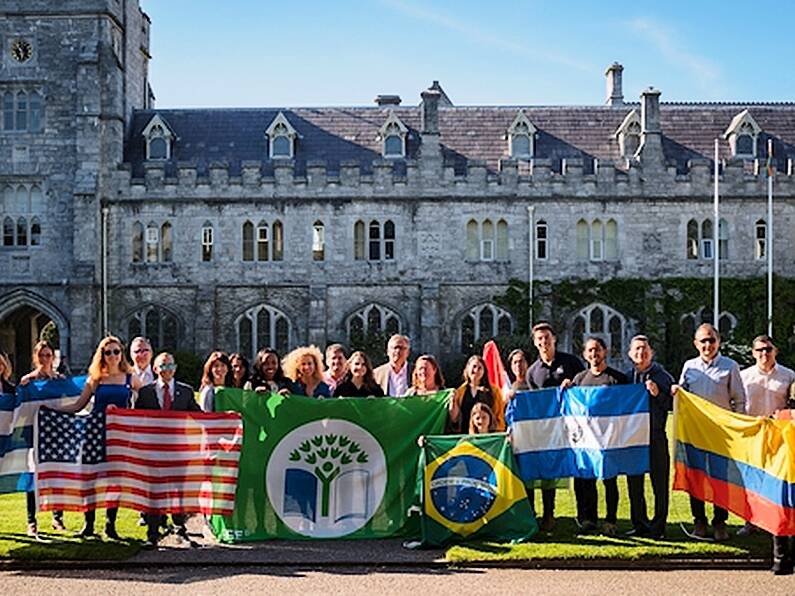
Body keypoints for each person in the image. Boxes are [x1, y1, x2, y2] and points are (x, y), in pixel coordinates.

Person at [58, 335, 143, 540]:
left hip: (120, 435)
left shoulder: (131, 378)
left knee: (114, 482)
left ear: (121, 354)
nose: (113, 355)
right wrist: (53, 409)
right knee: (91, 479)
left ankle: (110, 526)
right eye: (108, 352)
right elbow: (79, 405)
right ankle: (88, 525)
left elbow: (143, 404)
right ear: (102, 355)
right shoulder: (95, 379)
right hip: (94, 432)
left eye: (116, 351)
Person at [673, 323, 746, 541]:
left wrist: (736, 427)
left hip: (720, 435)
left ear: (718, 342)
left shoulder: (730, 366)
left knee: (719, 479)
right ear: (696, 344)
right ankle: (699, 521)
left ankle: (720, 522)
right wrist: (676, 391)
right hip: (695, 434)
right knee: (696, 477)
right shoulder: (689, 366)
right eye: (703, 341)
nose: (708, 345)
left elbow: (739, 400)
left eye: (711, 340)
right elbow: (682, 394)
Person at [739, 335, 795, 570]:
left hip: (780, 438)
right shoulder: (744, 376)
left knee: (776, 483)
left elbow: (792, 406)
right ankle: (750, 521)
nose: (764, 353)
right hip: (754, 435)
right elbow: (737, 404)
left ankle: (776, 522)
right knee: (752, 478)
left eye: (768, 349)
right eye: (760, 350)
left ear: (776, 351)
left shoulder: (789, 375)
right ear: (753, 353)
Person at [135, 352, 201, 548]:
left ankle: (181, 529)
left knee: (179, 491)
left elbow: (199, 416)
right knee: (154, 492)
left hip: (179, 450)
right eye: (162, 366)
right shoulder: (146, 392)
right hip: (153, 451)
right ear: (155, 369)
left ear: (175, 368)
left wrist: (224, 418)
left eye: (170, 366)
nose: (167, 370)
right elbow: (137, 419)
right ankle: (152, 535)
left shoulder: (186, 391)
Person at [565, 337, 628, 537]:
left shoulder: (617, 379)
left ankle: (610, 520)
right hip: (586, 441)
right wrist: (567, 387)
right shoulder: (579, 379)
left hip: (609, 440)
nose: (594, 354)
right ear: (585, 355)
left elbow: (628, 408)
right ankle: (588, 519)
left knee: (609, 481)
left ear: (605, 351)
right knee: (587, 482)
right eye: (590, 351)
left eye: (597, 350)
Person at [526, 322, 584, 532]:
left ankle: (585, 516)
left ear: (554, 339)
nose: (544, 342)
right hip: (547, 429)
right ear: (535, 343)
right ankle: (547, 514)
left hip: (572, 427)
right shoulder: (532, 372)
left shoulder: (571, 362)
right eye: (539, 339)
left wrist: (572, 385)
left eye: (547, 338)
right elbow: (533, 402)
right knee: (546, 471)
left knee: (580, 469)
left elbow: (584, 386)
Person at [625, 335, 674, 539]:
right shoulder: (626, 378)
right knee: (634, 484)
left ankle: (658, 527)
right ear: (630, 354)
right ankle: (640, 524)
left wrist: (657, 394)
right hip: (633, 438)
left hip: (656, 436)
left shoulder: (663, 376)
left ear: (651, 352)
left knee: (659, 483)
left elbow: (672, 406)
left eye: (644, 349)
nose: (640, 353)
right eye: (636, 349)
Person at [18, 341, 67, 536]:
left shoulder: (60, 380)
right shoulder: (28, 381)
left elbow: (69, 402)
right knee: (32, 477)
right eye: (42, 355)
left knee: (57, 477)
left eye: (48, 355)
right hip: (34, 434)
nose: (45, 359)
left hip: (55, 433)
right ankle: (31, 521)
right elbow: (20, 409)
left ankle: (57, 518)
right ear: (36, 357)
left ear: (53, 358)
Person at [449, 355, 505, 433]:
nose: (476, 370)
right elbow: (455, 419)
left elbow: (499, 416)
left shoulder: (494, 391)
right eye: (474, 366)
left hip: (488, 437)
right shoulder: (460, 392)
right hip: (466, 436)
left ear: (484, 371)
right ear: (467, 369)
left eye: (480, 368)